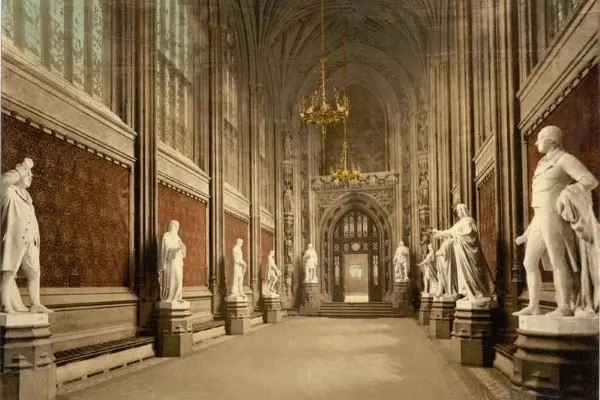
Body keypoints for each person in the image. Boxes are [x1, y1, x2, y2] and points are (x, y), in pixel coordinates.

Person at [514, 126, 598, 316]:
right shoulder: (542, 164)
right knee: (529, 262)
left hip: (554, 215)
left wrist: (565, 195)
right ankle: (533, 306)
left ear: (551, 139)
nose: (536, 143)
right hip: (540, 216)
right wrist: (527, 233)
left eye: (540, 138)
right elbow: (540, 202)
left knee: (557, 260)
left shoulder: (564, 160)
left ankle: (564, 306)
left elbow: (589, 180)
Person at [1, 158, 52, 313]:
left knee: (35, 272)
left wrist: (36, 238)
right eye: (27, 174)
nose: (31, 176)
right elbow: (4, 180)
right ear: (19, 175)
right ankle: (5, 304)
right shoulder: (9, 192)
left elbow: (32, 220)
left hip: (30, 242)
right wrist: (24, 167)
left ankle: (35, 303)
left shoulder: (28, 198)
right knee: (9, 272)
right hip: (14, 240)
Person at [431, 203, 495, 301]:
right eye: (458, 211)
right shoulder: (459, 223)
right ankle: (468, 293)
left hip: (469, 252)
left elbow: (471, 235)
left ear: (464, 210)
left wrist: (457, 236)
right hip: (461, 252)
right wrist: (438, 232)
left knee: (472, 271)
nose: (459, 213)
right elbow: (449, 231)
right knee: (462, 272)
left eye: (460, 210)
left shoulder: (469, 220)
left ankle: (476, 292)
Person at [158, 220, 186, 303]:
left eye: (176, 225)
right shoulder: (167, 235)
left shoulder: (177, 237)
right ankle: (170, 297)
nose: (174, 226)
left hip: (177, 261)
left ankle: (177, 297)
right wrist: (176, 249)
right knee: (172, 279)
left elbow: (183, 251)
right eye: (173, 224)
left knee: (179, 278)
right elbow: (166, 248)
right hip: (170, 263)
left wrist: (182, 248)